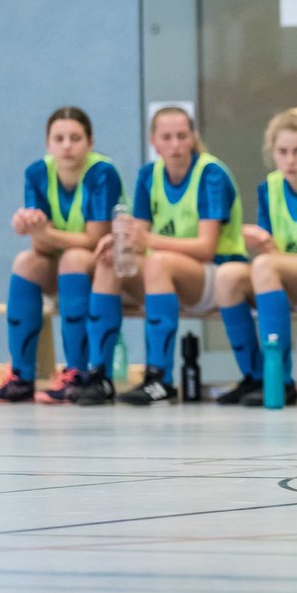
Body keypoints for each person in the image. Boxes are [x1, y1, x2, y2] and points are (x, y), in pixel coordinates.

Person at [79, 107, 246, 406]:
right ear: (154, 142)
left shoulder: (210, 174)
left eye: (182, 136)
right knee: (111, 262)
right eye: (166, 137)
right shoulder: (149, 175)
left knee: (157, 261)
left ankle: (159, 379)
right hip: (167, 276)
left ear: (193, 138)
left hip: (215, 275)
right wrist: (119, 240)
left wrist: (148, 240)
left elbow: (206, 247)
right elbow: (139, 239)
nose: (175, 144)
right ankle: (98, 374)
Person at [0, 107, 122, 404]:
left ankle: (78, 372)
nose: (67, 145)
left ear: (90, 142)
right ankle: (21, 376)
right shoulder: (37, 173)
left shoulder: (102, 173)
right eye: (59, 138)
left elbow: (95, 240)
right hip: (68, 265)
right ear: (48, 143)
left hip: (107, 265)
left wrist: (45, 231)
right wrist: (30, 228)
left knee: (72, 257)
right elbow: (42, 249)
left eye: (75, 138)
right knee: (25, 262)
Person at [212, 106, 297, 407]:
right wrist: (263, 245)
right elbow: (271, 254)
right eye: (282, 151)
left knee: (263, 265)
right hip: (280, 277)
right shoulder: (269, 188)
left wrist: (274, 257)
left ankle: (281, 381)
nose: (290, 159)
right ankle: (254, 375)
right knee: (228, 275)